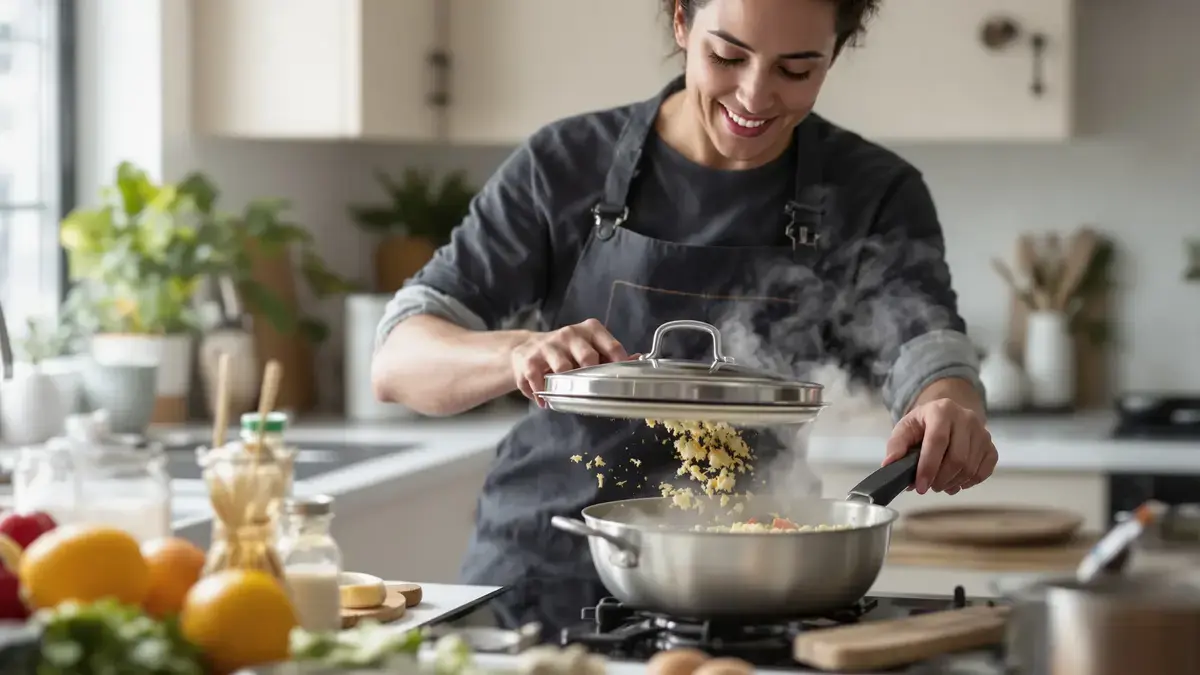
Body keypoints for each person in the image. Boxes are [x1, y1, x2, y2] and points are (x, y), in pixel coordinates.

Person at [372, 0, 998, 632]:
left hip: (750, 578)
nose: (754, 96)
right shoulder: (564, 164)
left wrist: (948, 406)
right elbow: (398, 360)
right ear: (680, 22)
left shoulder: (873, 191)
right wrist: (514, 353)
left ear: (833, 54)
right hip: (543, 571)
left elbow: (925, 346)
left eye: (796, 70)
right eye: (727, 56)